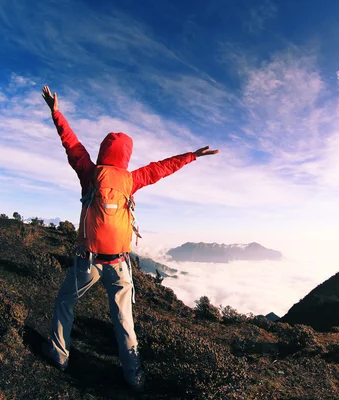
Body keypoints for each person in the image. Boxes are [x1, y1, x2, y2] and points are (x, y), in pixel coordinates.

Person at [40, 85, 219, 390]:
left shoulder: (89, 171)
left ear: (102, 151)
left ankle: (59, 356)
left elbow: (70, 142)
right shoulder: (131, 180)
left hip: (88, 261)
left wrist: (55, 111)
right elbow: (161, 168)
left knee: (65, 304)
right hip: (120, 263)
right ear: (126, 155)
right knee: (124, 321)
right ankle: (133, 376)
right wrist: (192, 156)